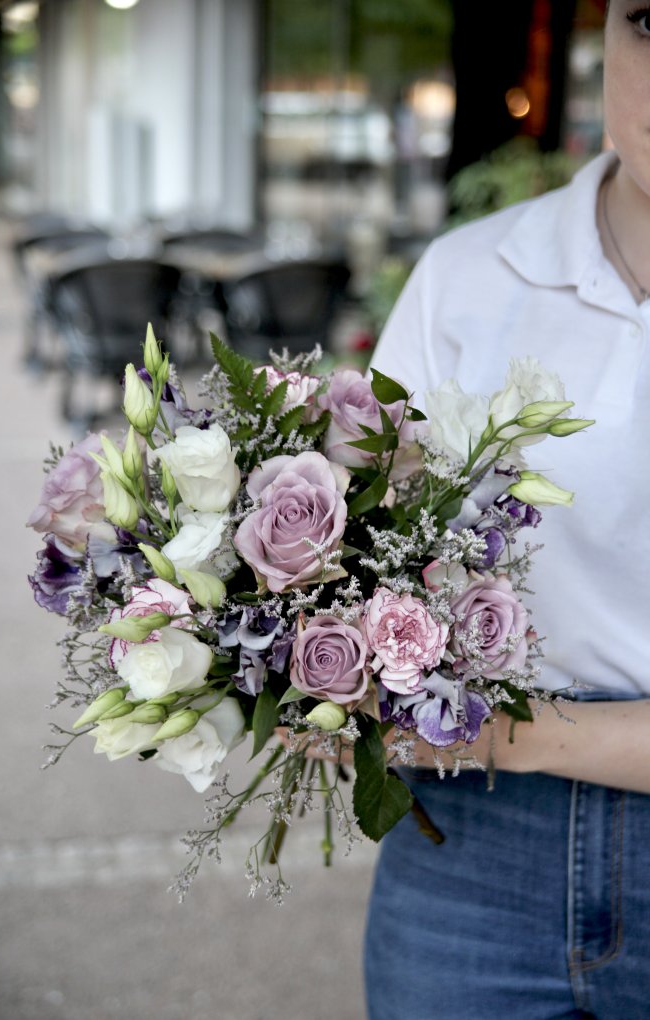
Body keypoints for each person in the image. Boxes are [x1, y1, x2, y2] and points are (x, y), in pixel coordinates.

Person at [363, 3, 650, 1018]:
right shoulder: (466, 277)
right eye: (648, 20)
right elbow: (359, 563)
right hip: (466, 855)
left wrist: (508, 735)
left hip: (478, 756)